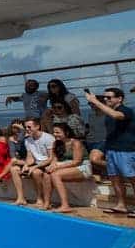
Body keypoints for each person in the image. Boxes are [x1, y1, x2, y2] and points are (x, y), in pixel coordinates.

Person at [87, 88, 135, 217]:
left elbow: (116, 115)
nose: (106, 99)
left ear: (119, 99)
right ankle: (121, 205)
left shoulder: (125, 110)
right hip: (111, 148)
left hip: (125, 149)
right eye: (105, 98)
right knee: (114, 178)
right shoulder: (108, 113)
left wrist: (95, 102)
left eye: (109, 97)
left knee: (132, 178)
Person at [42, 122, 89, 213]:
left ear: (66, 132)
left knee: (56, 175)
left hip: (82, 167)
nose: (55, 135)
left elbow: (77, 161)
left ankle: (65, 205)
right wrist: (51, 167)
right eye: (54, 132)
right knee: (46, 175)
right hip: (65, 165)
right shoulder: (56, 143)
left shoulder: (75, 143)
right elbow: (54, 160)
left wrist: (57, 167)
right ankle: (46, 203)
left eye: (57, 132)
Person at [8, 118, 56, 206]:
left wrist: (35, 167)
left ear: (37, 126)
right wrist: (26, 165)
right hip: (36, 163)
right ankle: (21, 198)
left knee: (36, 172)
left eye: (29, 127)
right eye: (26, 127)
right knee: (14, 169)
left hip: (46, 163)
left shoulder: (48, 138)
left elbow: (50, 158)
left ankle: (39, 198)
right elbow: (30, 157)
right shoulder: (28, 140)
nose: (27, 129)